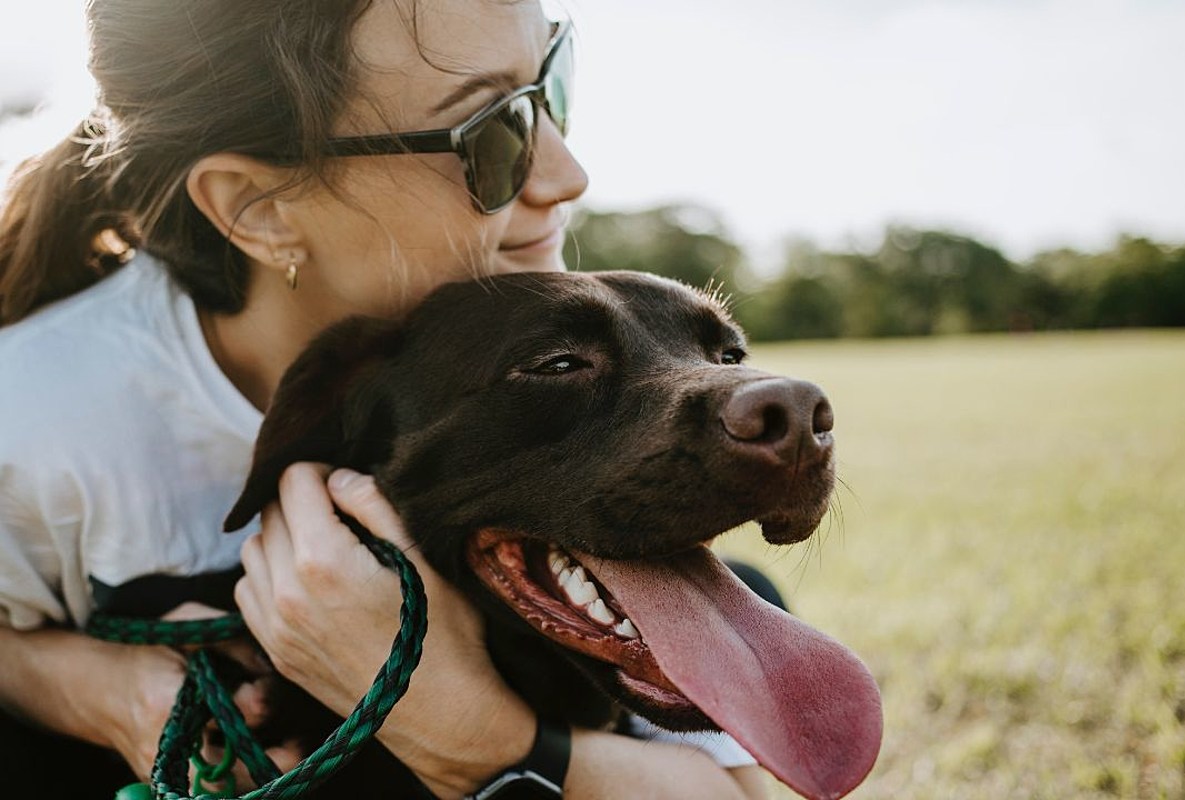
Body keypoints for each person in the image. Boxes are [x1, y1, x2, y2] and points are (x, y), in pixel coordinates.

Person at [0, 1, 768, 797]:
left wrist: (464, 727)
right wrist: (108, 692)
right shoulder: (36, 419)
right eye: (490, 133)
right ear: (257, 208)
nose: (567, 173)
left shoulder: (526, 295)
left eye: (551, 85)